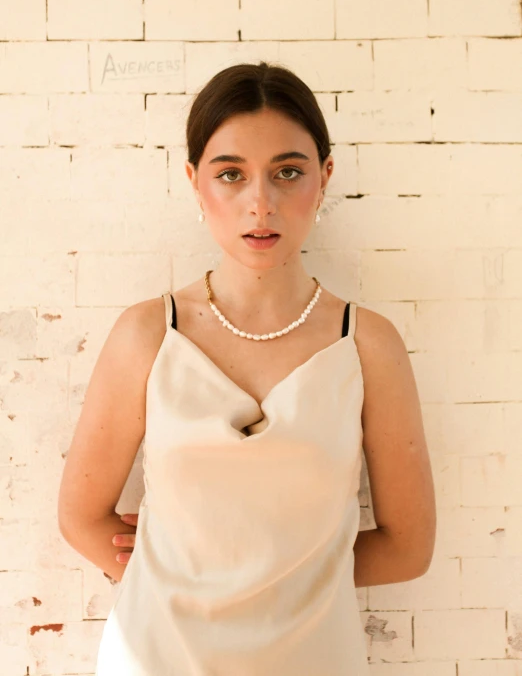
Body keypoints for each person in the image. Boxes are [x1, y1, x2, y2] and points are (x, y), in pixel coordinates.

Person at [58, 61, 436, 675]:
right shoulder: (147, 334)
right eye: (230, 174)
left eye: (288, 172)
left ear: (325, 177)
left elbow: (409, 546)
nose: (260, 203)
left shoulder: (369, 344)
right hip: (156, 657)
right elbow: (80, 516)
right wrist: (181, 570)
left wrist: (284, 579)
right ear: (194, 181)